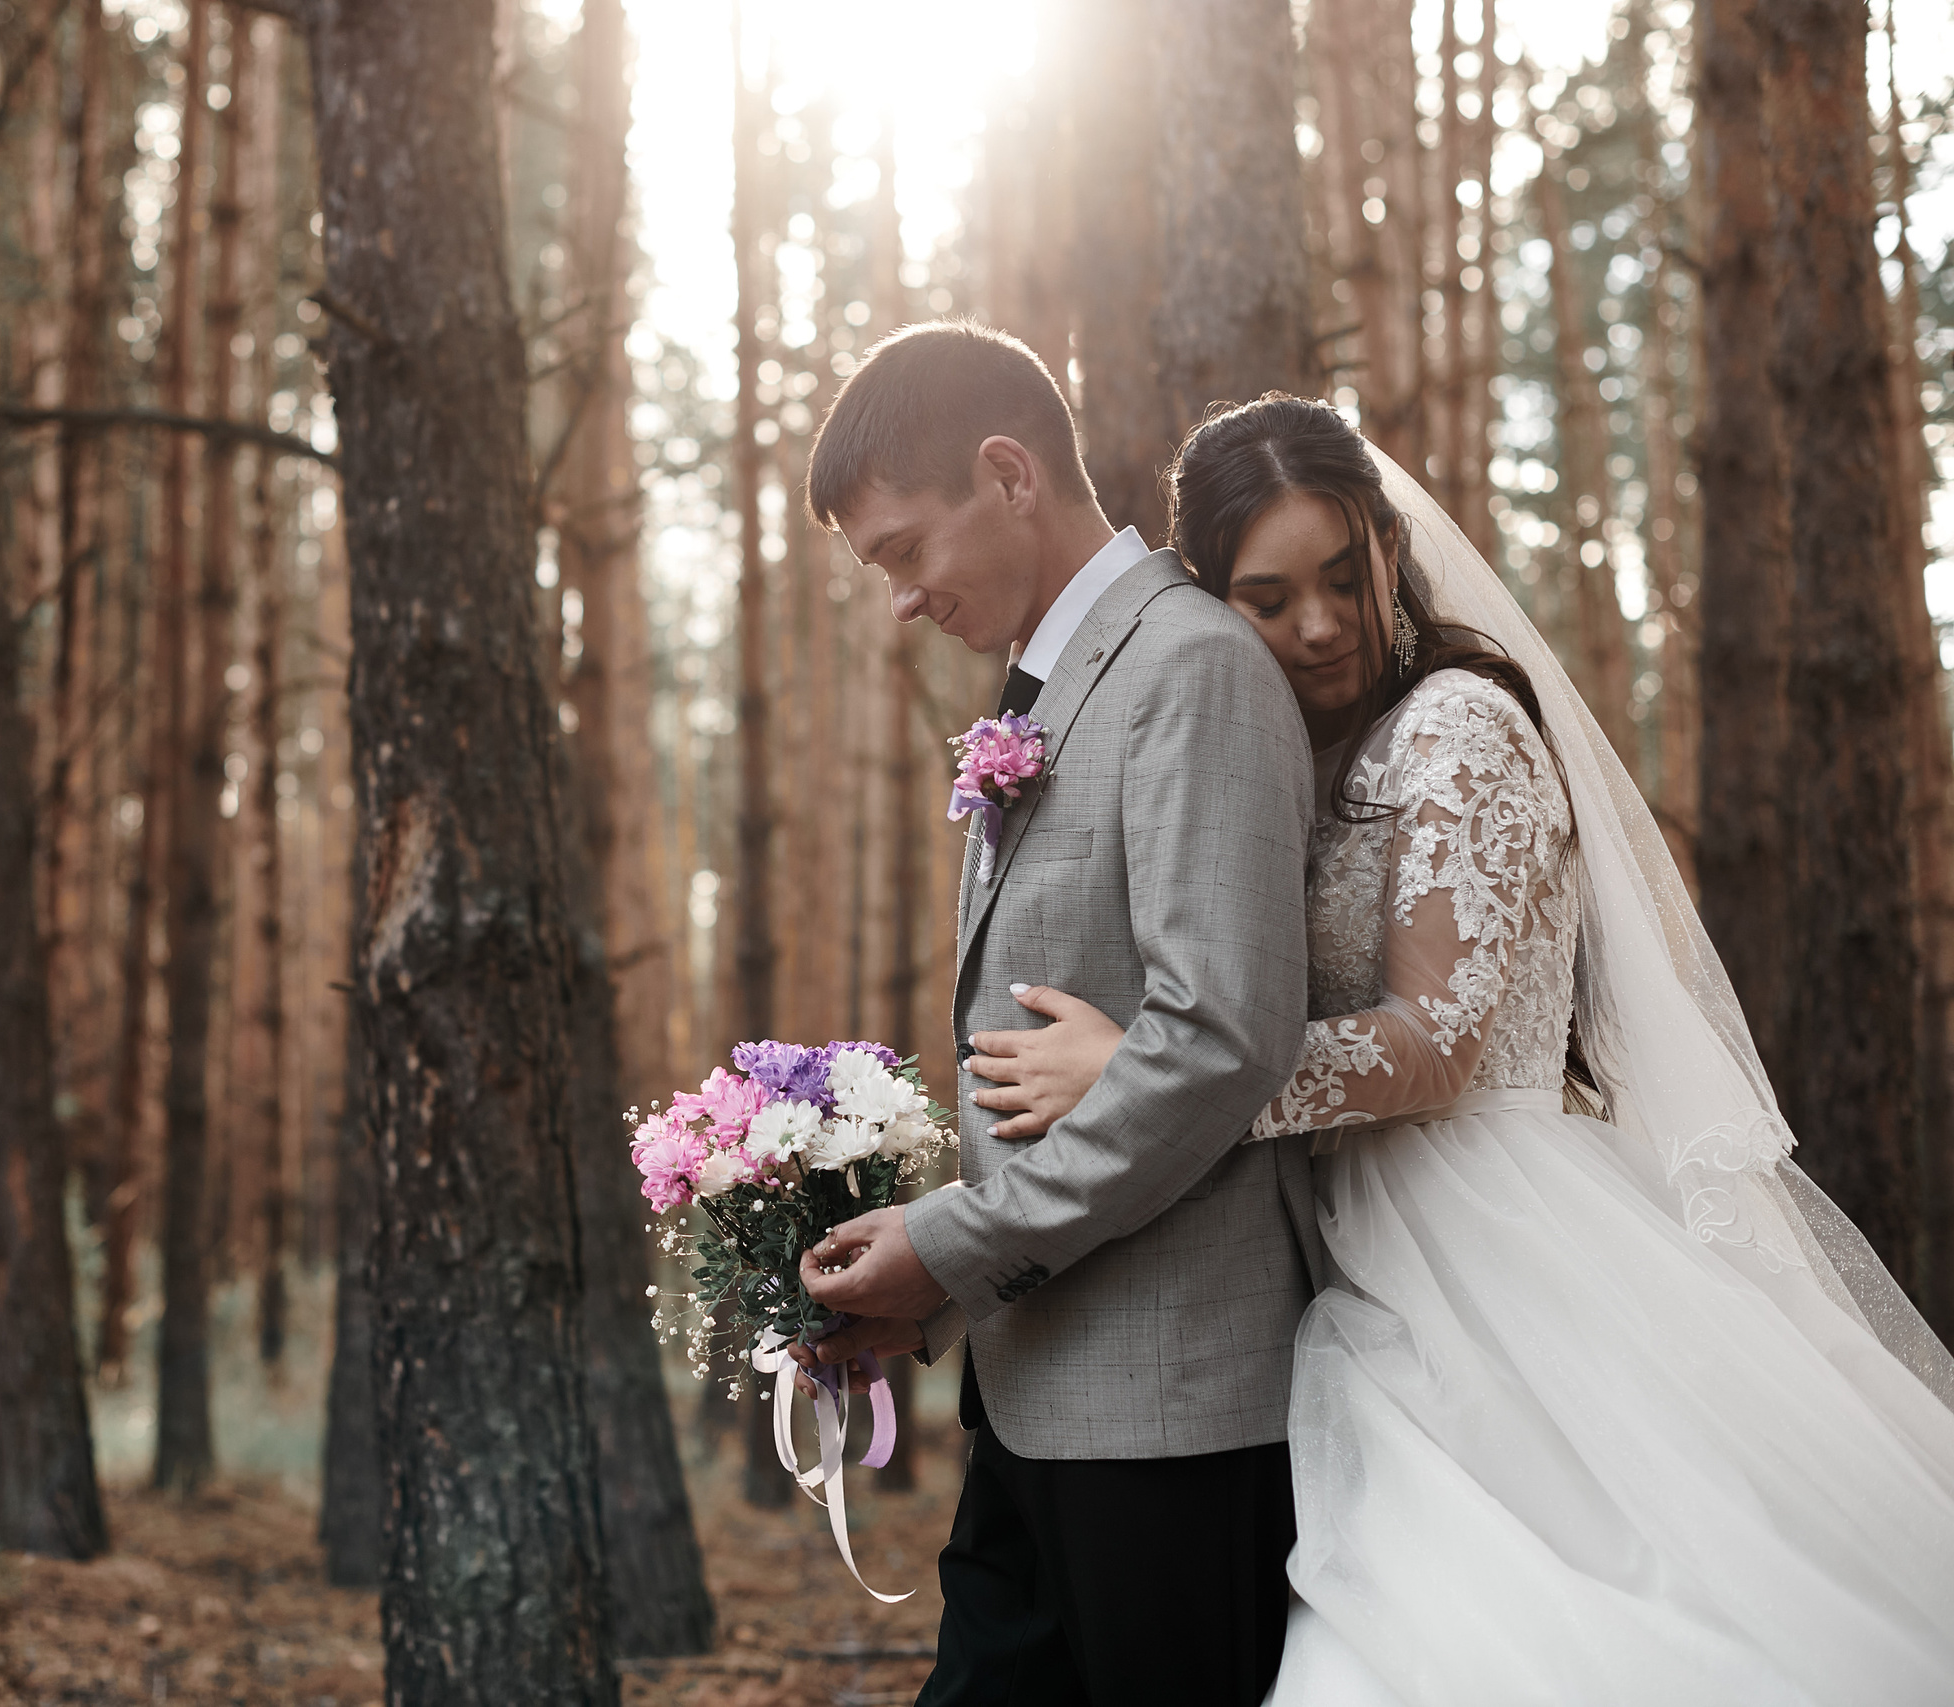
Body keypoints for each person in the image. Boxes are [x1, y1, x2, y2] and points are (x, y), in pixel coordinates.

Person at [926, 393, 1954, 1704]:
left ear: (1389, 547)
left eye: (1346, 575)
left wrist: (1146, 1072)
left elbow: (1438, 1044)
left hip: (1497, 1235)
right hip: (1359, 1241)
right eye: (1270, 594)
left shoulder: (1461, 728)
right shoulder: (1296, 745)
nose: (1319, 624)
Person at [793, 321, 1324, 1706]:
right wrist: (924, 1291)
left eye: (905, 549)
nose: (902, 598)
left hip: (1170, 1428)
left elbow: (1219, 1043)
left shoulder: (1188, 670)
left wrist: (956, 1248)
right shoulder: (1053, 688)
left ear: (1009, 472)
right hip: (1036, 1400)